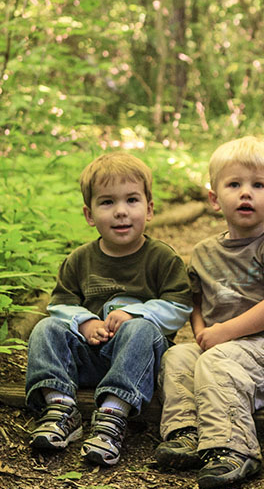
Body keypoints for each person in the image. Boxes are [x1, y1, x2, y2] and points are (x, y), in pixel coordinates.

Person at [25, 152, 193, 467]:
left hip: (138, 361)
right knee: (44, 329)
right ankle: (61, 408)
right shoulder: (79, 260)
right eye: (107, 203)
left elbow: (179, 307)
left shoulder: (161, 258)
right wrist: (85, 322)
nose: (120, 212)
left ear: (150, 208)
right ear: (89, 215)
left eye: (132, 200)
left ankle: (113, 415)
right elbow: (59, 304)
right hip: (90, 356)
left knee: (140, 330)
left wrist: (137, 314)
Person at [154, 136, 264, 489]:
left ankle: (234, 448)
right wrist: (203, 330)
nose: (245, 193)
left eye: (258, 185)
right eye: (234, 184)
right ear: (214, 198)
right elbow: (195, 299)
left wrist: (222, 334)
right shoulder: (204, 251)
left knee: (215, 361)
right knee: (178, 356)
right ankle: (187, 432)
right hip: (220, 346)